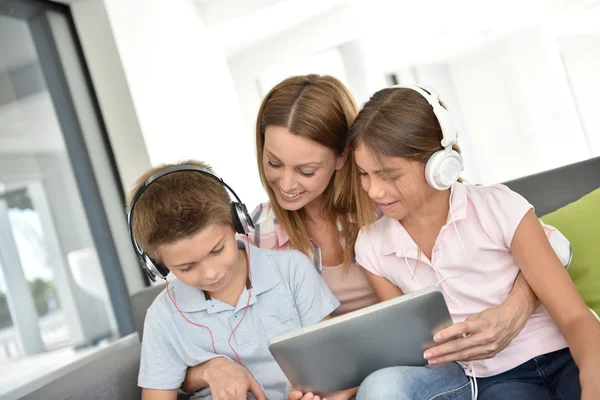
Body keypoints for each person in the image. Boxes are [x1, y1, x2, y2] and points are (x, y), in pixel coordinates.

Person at [183, 75, 543, 400]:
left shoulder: (392, 200)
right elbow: (174, 344)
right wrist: (211, 369)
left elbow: (549, 247)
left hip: (410, 374)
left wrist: (515, 310)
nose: (287, 185)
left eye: (306, 170)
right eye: (274, 163)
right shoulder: (252, 234)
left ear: (343, 157)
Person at [349, 84, 600, 399]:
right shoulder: (372, 247)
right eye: (364, 174)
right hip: (494, 380)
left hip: (563, 353)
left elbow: (576, 317)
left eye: (390, 175)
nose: (374, 191)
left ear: (438, 165)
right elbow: (416, 351)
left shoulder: (497, 206)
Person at [128, 160, 339, 400]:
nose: (210, 273)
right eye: (186, 267)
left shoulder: (292, 270)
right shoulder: (163, 315)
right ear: (158, 266)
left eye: (217, 250)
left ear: (237, 221)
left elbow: (333, 366)